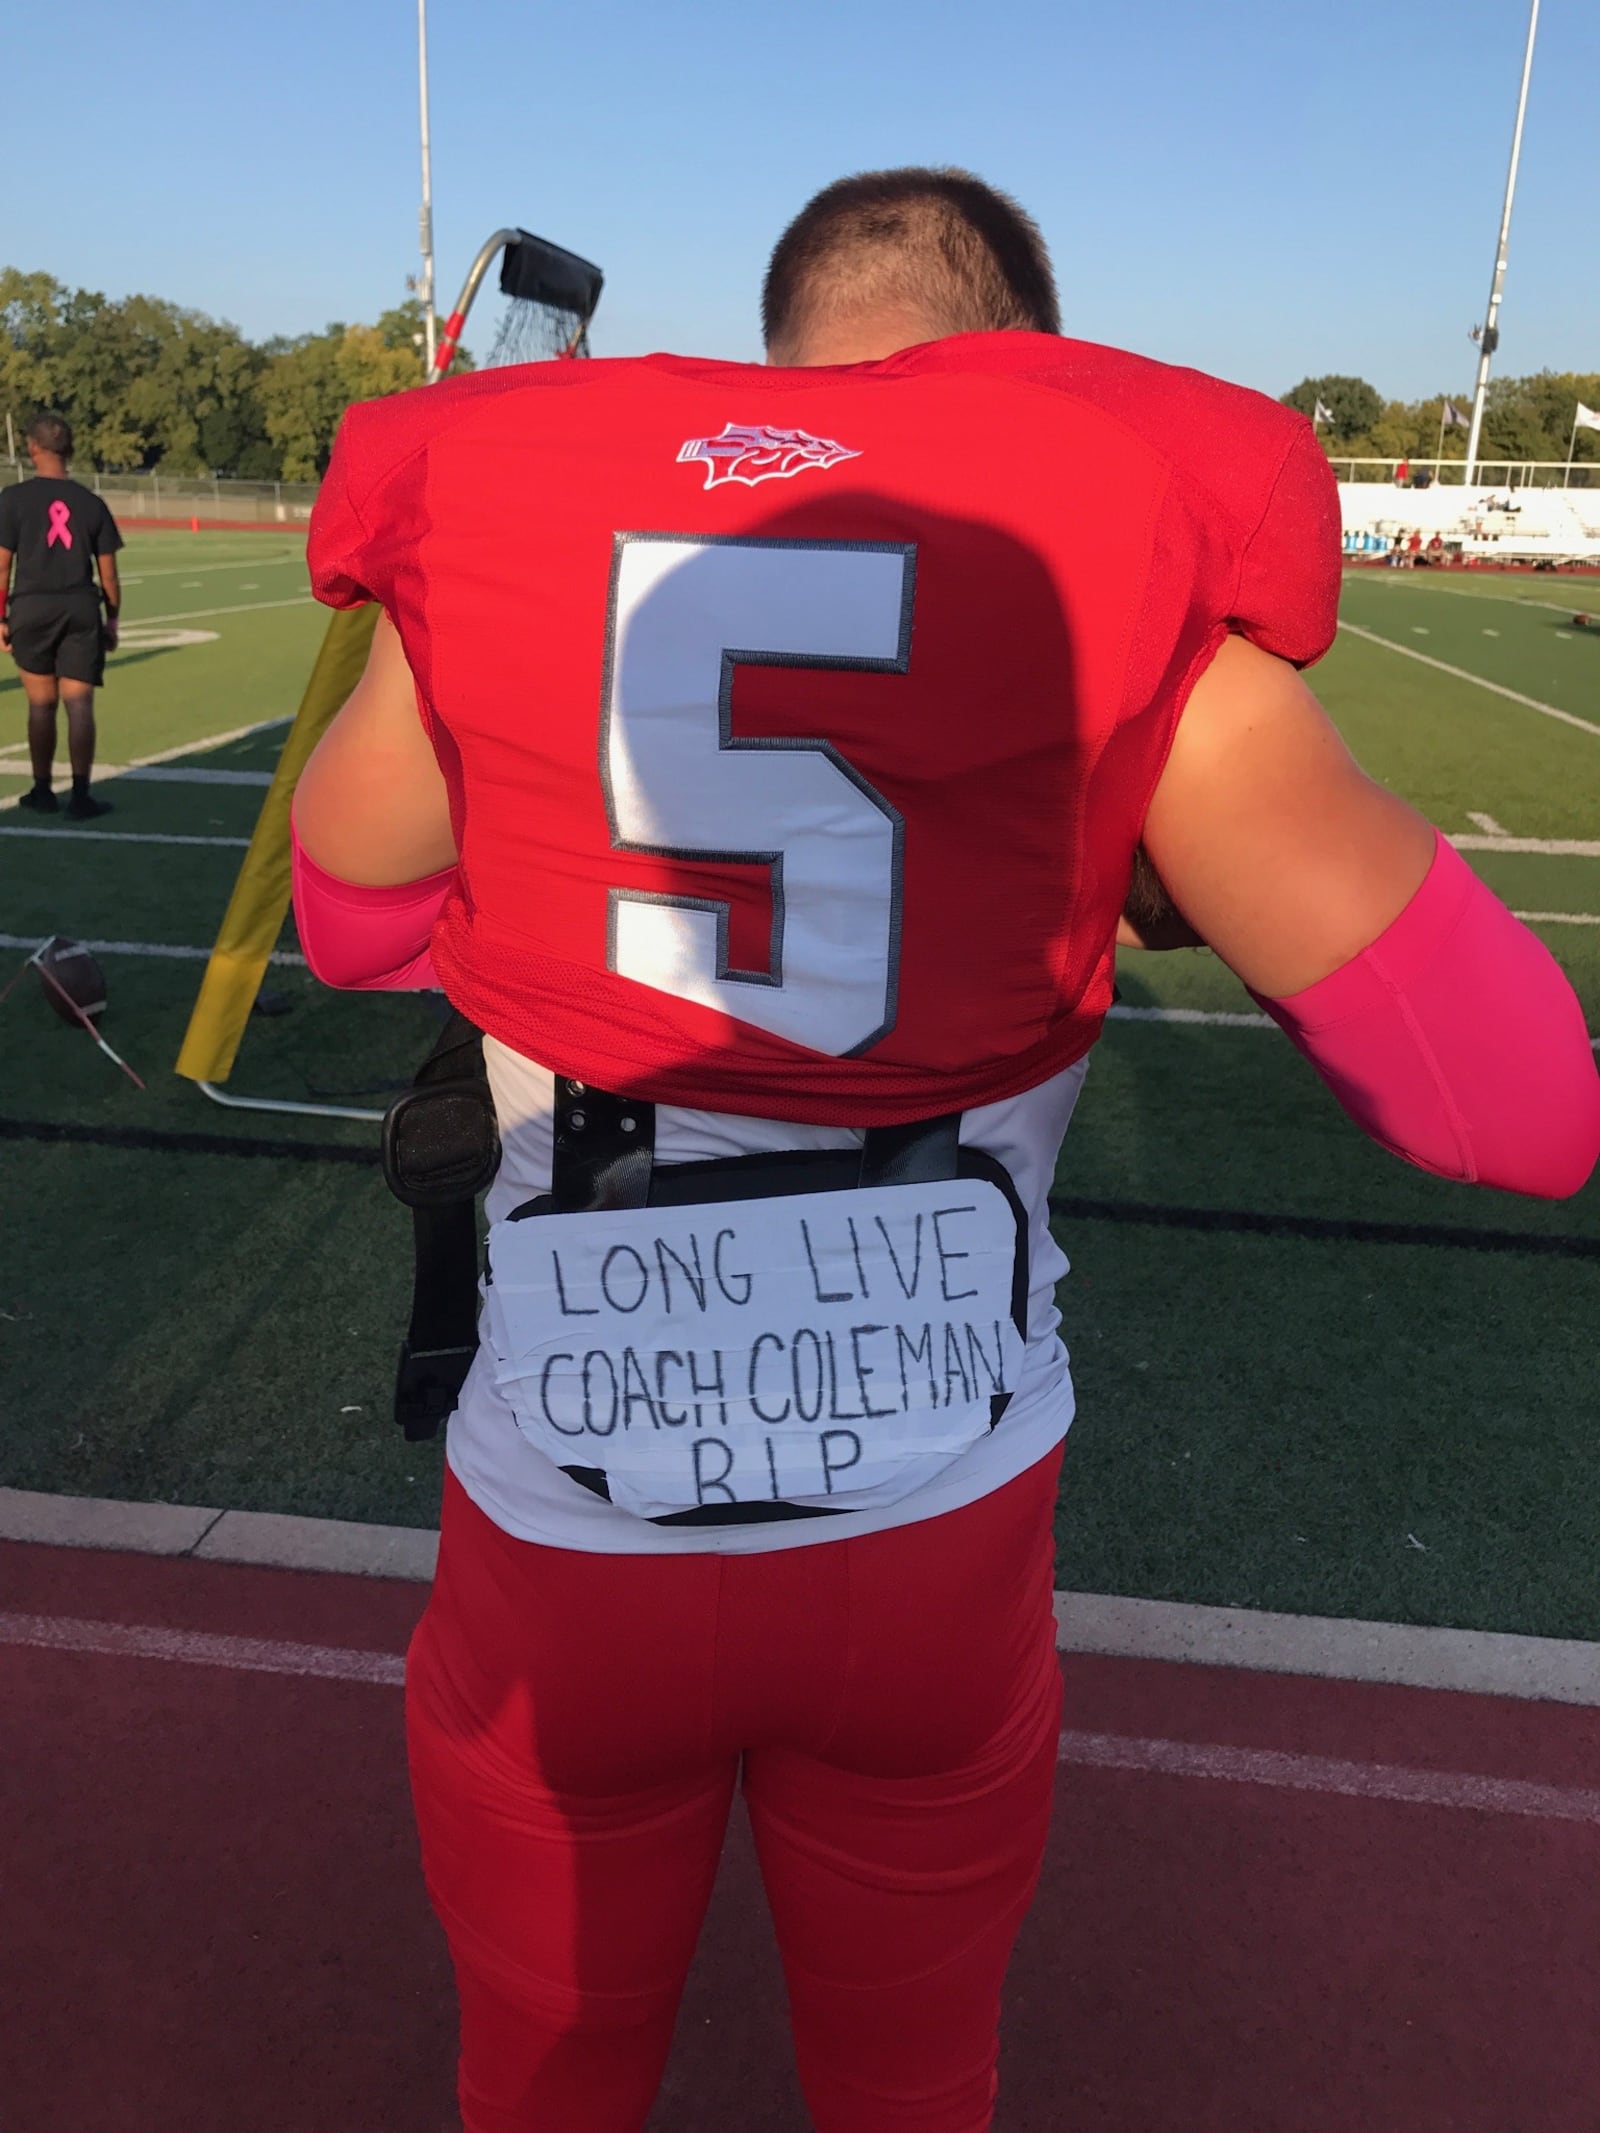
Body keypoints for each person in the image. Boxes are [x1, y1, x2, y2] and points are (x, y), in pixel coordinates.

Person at [290, 168, 1600, 2133]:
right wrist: (1142, 833)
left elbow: (356, 917)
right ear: (1035, 357)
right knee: (913, 2081)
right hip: (927, 1530)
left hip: (570, 1523)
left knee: (544, 2075)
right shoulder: (1122, 583)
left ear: (773, 348)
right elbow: (1512, 1110)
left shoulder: (520, 535)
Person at [0, 413, 123, 818]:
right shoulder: (92, 502)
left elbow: (2, 566)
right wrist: (112, 620)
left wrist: (1, 618)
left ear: (33, 449)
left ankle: (42, 790)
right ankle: (82, 795)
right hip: (80, 607)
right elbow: (108, 572)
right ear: (68, 450)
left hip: (31, 607)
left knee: (40, 704)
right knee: (79, 704)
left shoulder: (12, 499)